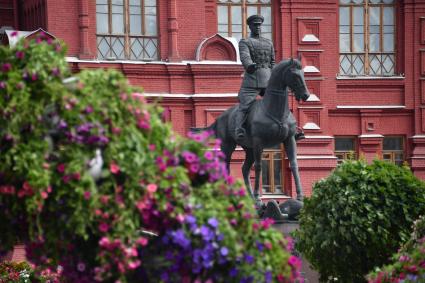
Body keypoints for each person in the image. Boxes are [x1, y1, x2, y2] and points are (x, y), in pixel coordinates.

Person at [235, 14, 305, 141]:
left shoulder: (268, 43)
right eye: (255, 25)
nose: (257, 27)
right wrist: (249, 65)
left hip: (268, 80)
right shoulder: (245, 42)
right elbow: (245, 56)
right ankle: (239, 129)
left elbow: (272, 62)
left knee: (281, 103)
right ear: (250, 26)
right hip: (251, 81)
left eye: (259, 25)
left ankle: (293, 129)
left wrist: (276, 77)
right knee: (245, 105)